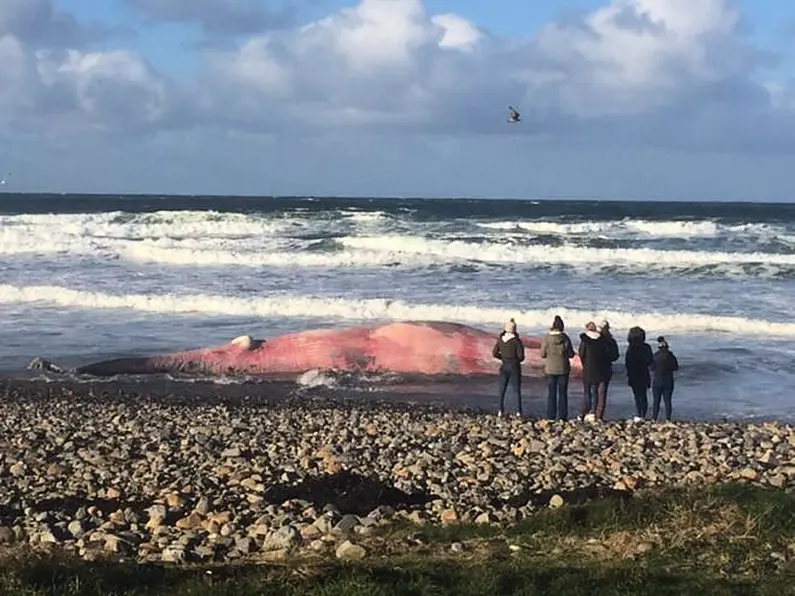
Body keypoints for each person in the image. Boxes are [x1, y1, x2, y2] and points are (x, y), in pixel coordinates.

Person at [540, 315, 575, 421]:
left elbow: (542, 354)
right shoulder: (565, 338)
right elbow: (571, 354)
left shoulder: (546, 338)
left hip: (550, 369)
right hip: (563, 369)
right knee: (563, 393)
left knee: (551, 393)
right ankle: (562, 416)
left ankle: (551, 416)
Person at [492, 318, 525, 418]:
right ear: (515, 329)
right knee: (516, 390)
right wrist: (516, 360)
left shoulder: (500, 339)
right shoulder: (516, 341)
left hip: (504, 365)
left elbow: (494, 353)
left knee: (502, 389)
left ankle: (500, 410)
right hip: (514, 366)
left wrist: (502, 357)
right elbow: (521, 356)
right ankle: (518, 411)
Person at [577, 321, 605, 422]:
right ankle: (593, 412)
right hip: (597, 369)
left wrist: (584, 364)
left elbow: (581, 354)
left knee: (587, 393)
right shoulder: (600, 341)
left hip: (587, 369)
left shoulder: (585, 341)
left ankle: (585, 412)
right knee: (595, 392)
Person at [625, 326, 654, 421]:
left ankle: (639, 414)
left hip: (633, 374)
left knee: (637, 396)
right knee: (643, 395)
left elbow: (628, 363)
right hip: (644, 373)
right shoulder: (646, 347)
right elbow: (650, 361)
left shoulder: (631, 348)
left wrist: (628, 374)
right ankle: (643, 415)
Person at [651, 336, 679, 421]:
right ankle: (668, 418)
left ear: (659, 347)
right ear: (667, 347)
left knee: (656, 401)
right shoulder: (671, 356)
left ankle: (654, 418)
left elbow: (651, 368)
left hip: (657, 381)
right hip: (668, 381)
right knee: (667, 401)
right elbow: (676, 367)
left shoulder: (655, 356)